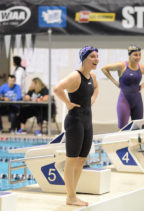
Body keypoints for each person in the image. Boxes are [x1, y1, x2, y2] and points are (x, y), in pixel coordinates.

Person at [54, 46, 99, 206]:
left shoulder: (91, 75)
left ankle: (73, 195)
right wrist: (67, 103)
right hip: (75, 122)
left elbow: (96, 88)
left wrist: (92, 100)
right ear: (84, 58)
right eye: (93, 57)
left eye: (97, 56)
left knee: (81, 160)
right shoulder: (75, 76)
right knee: (71, 160)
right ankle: (70, 196)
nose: (96, 60)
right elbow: (57, 88)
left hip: (87, 122)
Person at [102, 44, 144, 128]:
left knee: (137, 127)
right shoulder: (122, 65)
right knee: (123, 128)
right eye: (135, 55)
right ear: (130, 55)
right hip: (124, 100)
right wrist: (115, 82)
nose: (138, 57)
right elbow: (104, 69)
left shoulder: (142, 67)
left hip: (137, 100)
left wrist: (143, 85)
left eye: (139, 55)